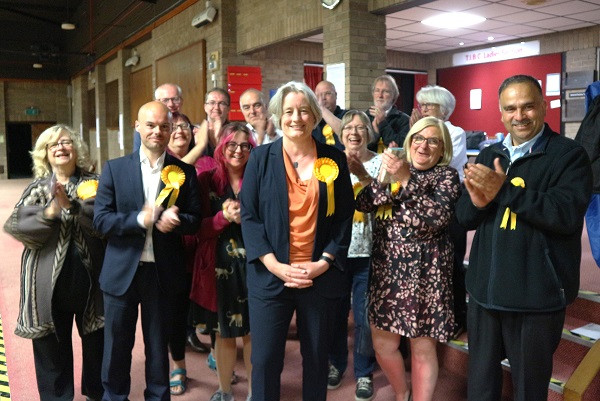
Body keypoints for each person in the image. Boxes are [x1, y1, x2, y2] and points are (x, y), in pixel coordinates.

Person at [456, 74, 593, 401]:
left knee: (529, 390)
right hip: (485, 295)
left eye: (528, 106)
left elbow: (564, 214)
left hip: (535, 298)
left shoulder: (569, 155)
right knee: (480, 388)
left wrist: (504, 192)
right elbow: (463, 216)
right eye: (511, 108)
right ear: (501, 113)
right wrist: (476, 202)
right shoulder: (490, 155)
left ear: (544, 107)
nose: (520, 115)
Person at [240, 81, 354, 401]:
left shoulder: (334, 159)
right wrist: (273, 264)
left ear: (315, 116)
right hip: (270, 275)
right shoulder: (261, 158)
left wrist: (324, 262)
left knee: (317, 360)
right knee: (264, 361)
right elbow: (249, 217)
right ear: (277, 116)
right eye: (288, 111)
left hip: (317, 277)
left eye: (304, 110)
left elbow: (345, 216)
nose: (296, 118)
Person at [93, 101, 201, 401]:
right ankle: (114, 397)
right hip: (121, 274)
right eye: (151, 125)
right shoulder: (115, 169)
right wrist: (139, 219)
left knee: (157, 347)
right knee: (116, 348)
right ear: (137, 127)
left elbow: (195, 220)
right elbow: (101, 220)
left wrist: (176, 221)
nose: (158, 131)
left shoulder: (184, 172)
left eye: (164, 126)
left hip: (162, 275)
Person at [356, 117, 460, 401]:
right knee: (382, 344)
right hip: (386, 270)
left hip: (426, 274)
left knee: (422, 349)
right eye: (418, 138)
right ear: (409, 141)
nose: (424, 145)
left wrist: (405, 179)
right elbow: (363, 201)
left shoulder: (446, 176)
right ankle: (402, 393)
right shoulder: (392, 170)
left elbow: (436, 218)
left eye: (433, 141)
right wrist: (384, 176)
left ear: (442, 149)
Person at [4, 124, 105, 401]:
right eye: (53, 145)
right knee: (51, 351)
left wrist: (72, 207)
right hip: (46, 287)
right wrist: (50, 211)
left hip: (91, 282)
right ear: (45, 154)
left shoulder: (95, 183)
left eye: (66, 142)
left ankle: (96, 393)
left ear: (77, 149)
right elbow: (16, 227)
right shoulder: (38, 188)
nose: (61, 148)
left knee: (98, 344)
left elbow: (106, 225)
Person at [189, 123, 256, 401]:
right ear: (221, 146)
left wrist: (247, 217)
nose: (238, 151)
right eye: (232, 144)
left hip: (256, 265)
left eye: (245, 145)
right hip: (219, 268)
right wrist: (223, 218)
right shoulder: (206, 180)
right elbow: (197, 229)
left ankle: (255, 392)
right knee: (225, 333)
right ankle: (225, 390)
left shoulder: (259, 178)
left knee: (253, 334)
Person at [327, 110, 380, 401]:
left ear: (369, 133)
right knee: (335, 313)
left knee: (363, 318)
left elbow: (388, 200)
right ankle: (336, 363)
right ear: (341, 132)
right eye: (349, 127)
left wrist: (365, 175)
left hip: (369, 252)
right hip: (336, 252)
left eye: (361, 127)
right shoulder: (329, 162)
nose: (354, 132)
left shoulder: (382, 162)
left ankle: (363, 372)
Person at [410, 85, 469, 337]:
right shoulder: (417, 132)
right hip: (419, 207)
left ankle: (456, 317)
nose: (422, 109)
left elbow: (442, 162)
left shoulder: (455, 132)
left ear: (443, 110)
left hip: (448, 206)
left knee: (452, 263)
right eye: (421, 105)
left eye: (428, 106)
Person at [134, 83, 188, 150]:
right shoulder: (145, 126)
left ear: (182, 101)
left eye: (175, 99)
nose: (171, 104)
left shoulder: (186, 121)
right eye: (165, 100)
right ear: (156, 102)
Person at [367, 74, 410, 152]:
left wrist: (383, 123)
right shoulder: (364, 117)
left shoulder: (404, 120)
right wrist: (376, 134)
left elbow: (401, 145)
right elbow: (360, 147)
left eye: (385, 91)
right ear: (373, 94)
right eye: (377, 91)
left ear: (394, 96)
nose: (380, 95)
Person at [312, 81, 346, 150]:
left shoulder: (347, 115)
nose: (323, 98)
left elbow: (346, 133)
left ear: (336, 95)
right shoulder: (313, 120)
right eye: (318, 95)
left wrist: (322, 109)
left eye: (327, 93)